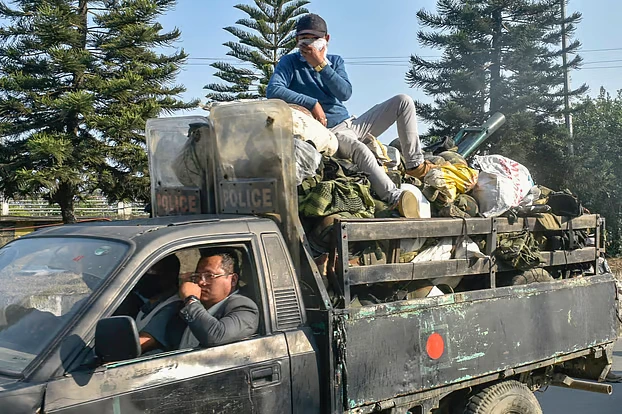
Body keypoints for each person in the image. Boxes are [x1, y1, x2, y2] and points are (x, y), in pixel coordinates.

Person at [266, 13, 434, 218]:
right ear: (296, 41)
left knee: (403, 101)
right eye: (303, 39)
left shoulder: (334, 62)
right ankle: (395, 198)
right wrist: (311, 103)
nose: (307, 43)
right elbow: (273, 90)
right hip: (328, 133)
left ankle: (414, 164)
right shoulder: (290, 63)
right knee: (359, 149)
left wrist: (320, 65)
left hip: (351, 124)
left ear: (326, 40)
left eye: (313, 38)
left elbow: (345, 93)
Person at [175, 252, 259, 349]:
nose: (201, 282)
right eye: (198, 276)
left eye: (209, 276)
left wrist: (191, 301)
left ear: (233, 280)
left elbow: (215, 336)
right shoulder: (202, 304)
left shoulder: (244, 307)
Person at [133, 255, 183, 353]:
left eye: (152, 272)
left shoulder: (173, 307)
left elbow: (142, 342)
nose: (145, 276)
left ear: (170, 276)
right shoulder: (149, 303)